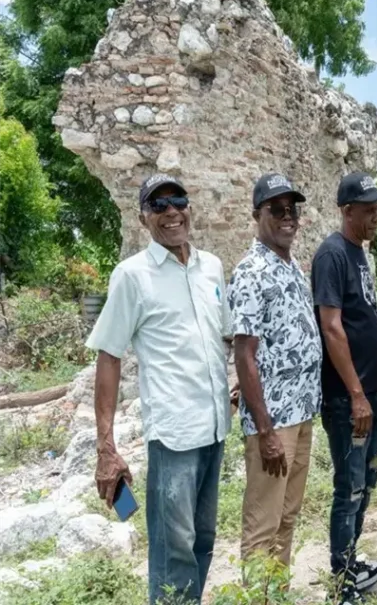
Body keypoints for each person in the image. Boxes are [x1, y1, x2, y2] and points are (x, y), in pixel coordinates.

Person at [88, 174, 231, 604]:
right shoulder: (133, 275)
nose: (171, 211)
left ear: (190, 207)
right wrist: (105, 446)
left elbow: (222, 337)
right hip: (173, 436)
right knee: (174, 552)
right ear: (143, 218)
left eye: (178, 200)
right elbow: (109, 356)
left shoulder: (213, 267)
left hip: (215, 430)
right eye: (158, 205)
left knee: (203, 540)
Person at [229, 173, 322, 573]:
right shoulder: (252, 271)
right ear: (257, 214)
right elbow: (244, 354)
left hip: (301, 414)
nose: (288, 217)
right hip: (274, 423)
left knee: (287, 518)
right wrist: (265, 432)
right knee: (263, 526)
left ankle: (276, 595)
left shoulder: (290, 267)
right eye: (277, 210)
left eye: (292, 210)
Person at [312, 171, 377, 602]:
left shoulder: (359, 254)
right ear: (347, 211)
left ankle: (352, 560)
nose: (376, 215)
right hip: (347, 401)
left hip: (367, 395)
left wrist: (375, 384)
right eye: (368, 209)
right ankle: (341, 581)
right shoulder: (332, 255)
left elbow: (362, 325)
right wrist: (358, 394)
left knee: (368, 483)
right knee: (350, 488)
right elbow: (332, 327)